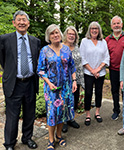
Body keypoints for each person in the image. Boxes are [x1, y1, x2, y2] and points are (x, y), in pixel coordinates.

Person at [0, 10, 41, 150]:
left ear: (28, 24)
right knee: (12, 116)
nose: (22, 22)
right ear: (14, 23)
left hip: (30, 82)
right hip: (14, 83)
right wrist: (10, 72)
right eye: (19, 20)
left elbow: (36, 61)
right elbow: (3, 59)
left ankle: (27, 138)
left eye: (24, 20)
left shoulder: (35, 41)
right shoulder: (4, 39)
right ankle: (10, 144)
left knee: (30, 113)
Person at [37, 24, 77, 150]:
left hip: (66, 87)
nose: (55, 35)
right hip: (52, 89)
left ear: (60, 34)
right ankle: (50, 139)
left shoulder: (66, 49)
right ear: (48, 36)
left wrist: (74, 81)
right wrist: (49, 83)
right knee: (52, 113)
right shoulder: (44, 50)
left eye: (57, 33)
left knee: (62, 113)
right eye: (52, 33)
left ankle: (59, 136)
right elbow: (41, 70)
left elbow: (72, 66)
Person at [80, 21, 110, 126]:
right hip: (88, 72)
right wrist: (92, 70)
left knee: (99, 92)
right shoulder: (84, 41)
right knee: (88, 93)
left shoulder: (103, 42)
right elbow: (82, 57)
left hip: (100, 73)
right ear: (89, 30)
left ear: (99, 30)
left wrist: (98, 69)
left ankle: (97, 112)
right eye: (92, 28)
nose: (94, 30)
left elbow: (107, 57)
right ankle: (88, 114)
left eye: (96, 28)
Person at [105, 15, 124, 120]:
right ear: (111, 26)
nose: (116, 25)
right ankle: (116, 110)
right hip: (113, 69)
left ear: (122, 24)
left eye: (118, 23)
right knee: (115, 91)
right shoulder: (107, 39)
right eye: (114, 23)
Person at [62, 26, 84, 132]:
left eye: (73, 34)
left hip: (77, 79)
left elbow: (79, 63)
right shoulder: (61, 47)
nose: (71, 36)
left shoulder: (77, 47)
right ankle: (64, 121)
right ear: (65, 35)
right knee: (65, 100)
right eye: (69, 34)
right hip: (64, 79)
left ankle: (71, 119)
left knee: (74, 101)